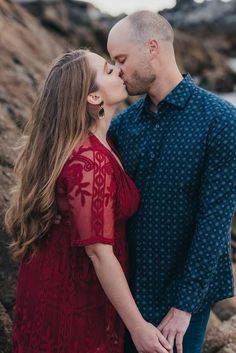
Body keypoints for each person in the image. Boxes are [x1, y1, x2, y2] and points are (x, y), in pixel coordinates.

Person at [5, 49, 171, 353]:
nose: (119, 72)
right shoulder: (88, 160)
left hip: (73, 286)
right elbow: (99, 252)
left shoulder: (102, 142)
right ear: (93, 98)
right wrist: (138, 327)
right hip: (74, 299)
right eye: (109, 71)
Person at [107, 11, 236, 353]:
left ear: (152, 48)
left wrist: (184, 307)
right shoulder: (122, 127)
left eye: (121, 59)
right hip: (128, 295)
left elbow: (215, 219)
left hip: (184, 300)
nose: (117, 71)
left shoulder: (221, 120)